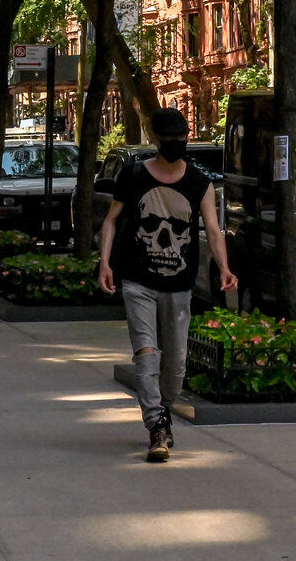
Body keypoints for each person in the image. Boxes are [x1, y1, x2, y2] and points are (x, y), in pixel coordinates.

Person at [98, 108, 237, 463]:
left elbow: (213, 229)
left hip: (179, 285)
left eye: (181, 138)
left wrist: (224, 267)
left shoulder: (200, 183)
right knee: (147, 353)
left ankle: (164, 411)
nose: (177, 144)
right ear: (156, 139)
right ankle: (156, 426)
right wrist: (105, 262)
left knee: (174, 364)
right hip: (138, 280)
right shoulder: (133, 176)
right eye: (170, 139)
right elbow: (111, 221)